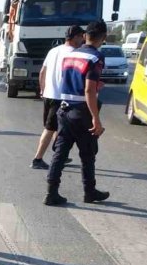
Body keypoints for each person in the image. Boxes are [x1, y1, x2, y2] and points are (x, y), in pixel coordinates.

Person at [44, 20, 111, 206]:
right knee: (88, 155)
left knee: (60, 153)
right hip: (82, 111)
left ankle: (51, 192)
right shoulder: (96, 57)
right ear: (103, 37)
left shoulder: (71, 55)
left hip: (64, 109)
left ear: (85, 35)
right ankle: (89, 192)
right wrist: (96, 119)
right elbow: (89, 91)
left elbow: (72, 81)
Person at [30, 25, 85, 170]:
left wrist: (42, 90)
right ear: (75, 37)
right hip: (61, 96)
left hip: (49, 94)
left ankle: (60, 154)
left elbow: (42, 72)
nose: (83, 39)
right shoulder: (75, 53)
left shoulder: (53, 51)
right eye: (81, 36)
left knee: (56, 128)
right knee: (50, 129)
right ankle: (37, 159)